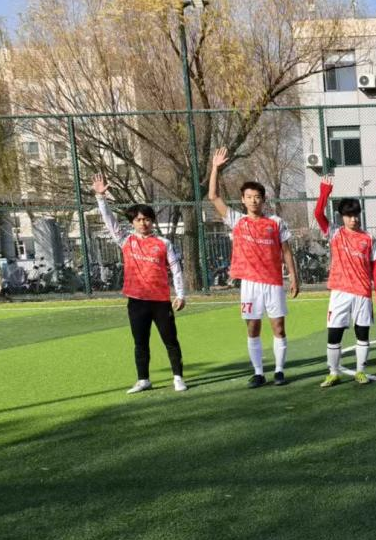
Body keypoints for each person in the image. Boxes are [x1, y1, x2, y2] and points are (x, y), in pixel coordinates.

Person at [208, 148, 300, 388]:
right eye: (249, 196)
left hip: (273, 283)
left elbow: (286, 251)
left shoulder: (276, 222)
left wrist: (294, 277)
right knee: (253, 327)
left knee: (278, 327)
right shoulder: (237, 221)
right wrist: (215, 168)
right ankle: (258, 373)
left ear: (263, 199)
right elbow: (213, 196)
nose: (253, 200)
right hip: (249, 284)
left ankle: (279, 371)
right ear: (243, 200)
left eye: (257, 196)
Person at [92, 174, 188, 393]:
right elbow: (109, 222)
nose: (143, 223)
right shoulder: (126, 240)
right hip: (136, 301)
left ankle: (178, 377)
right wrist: (100, 198)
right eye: (138, 220)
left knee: (170, 340)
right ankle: (143, 379)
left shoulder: (163, 243)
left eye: (146, 219)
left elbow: (176, 269)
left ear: (152, 221)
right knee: (140, 342)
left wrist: (181, 294)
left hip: (160, 301)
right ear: (132, 223)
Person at [313, 174, 376, 388]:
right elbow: (318, 214)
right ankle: (333, 372)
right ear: (342, 216)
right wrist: (324, 192)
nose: (353, 219)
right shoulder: (335, 233)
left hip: (362, 293)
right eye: (349, 215)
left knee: (362, 333)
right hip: (340, 292)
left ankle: (360, 371)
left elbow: (375, 266)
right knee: (334, 333)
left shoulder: (368, 238)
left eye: (356, 215)